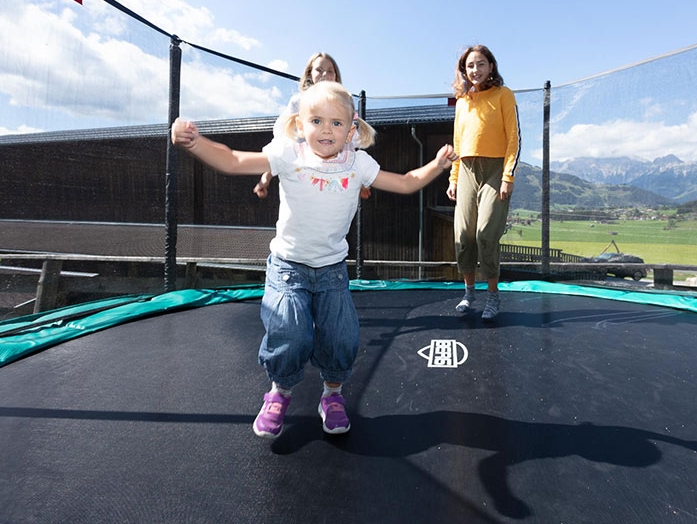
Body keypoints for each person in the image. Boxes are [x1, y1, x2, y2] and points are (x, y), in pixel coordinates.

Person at [171, 81, 458, 439]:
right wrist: (196, 143)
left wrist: (436, 164)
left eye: (337, 123)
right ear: (299, 125)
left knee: (342, 339)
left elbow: (403, 183)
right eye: (317, 121)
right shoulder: (290, 155)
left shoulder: (358, 163)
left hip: (332, 272)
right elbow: (232, 161)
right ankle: (280, 391)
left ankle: (332, 395)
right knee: (290, 334)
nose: (326, 130)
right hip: (288, 268)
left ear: (352, 130)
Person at [446, 45, 520, 321]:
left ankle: (492, 296)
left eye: (480, 64)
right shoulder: (462, 102)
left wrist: (507, 176)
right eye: (469, 66)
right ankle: (468, 292)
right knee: (463, 235)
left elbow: (513, 137)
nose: (475, 70)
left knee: (486, 233)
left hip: (495, 169)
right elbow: (457, 144)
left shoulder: (504, 95)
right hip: (465, 169)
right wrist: (453, 178)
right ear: (464, 71)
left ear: (491, 66)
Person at [254, 52, 343, 199]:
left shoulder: (342, 107)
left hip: (330, 177)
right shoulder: (299, 102)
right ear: (310, 73)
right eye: (319, 70)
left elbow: (348, 144)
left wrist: (361, 181)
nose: (325, 74)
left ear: (335, 76)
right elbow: (284, 141)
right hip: (300, 176)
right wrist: (267, 176)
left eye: (330, 70)